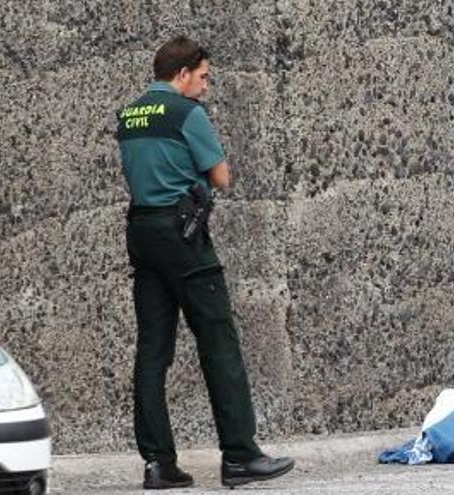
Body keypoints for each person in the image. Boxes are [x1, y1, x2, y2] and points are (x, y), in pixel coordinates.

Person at [115, 36, 295, 489]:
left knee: (153, 350)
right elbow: (221, 176)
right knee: (218, 340)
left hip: (142, 231)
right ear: (182, 74)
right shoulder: (187, 113)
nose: (206, 86)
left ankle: (158, 463)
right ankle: (239, 455)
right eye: (203, 77)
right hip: (182, 234)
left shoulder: (129, 117)